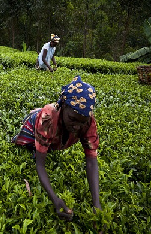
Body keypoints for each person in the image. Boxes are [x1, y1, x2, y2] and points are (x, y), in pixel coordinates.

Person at [12, 75, 101, 221]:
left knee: (55, 139)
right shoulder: (49, 118)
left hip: (55, 128)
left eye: (82, 122)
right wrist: (55, 199)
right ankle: (35, 116)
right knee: (33, 146)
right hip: (36, 124)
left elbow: (91, 160)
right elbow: (40, 165)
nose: (77, 126)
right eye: (72, 119)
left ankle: (47, 139)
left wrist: (97, 204)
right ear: (63, 106)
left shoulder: (88, 123)